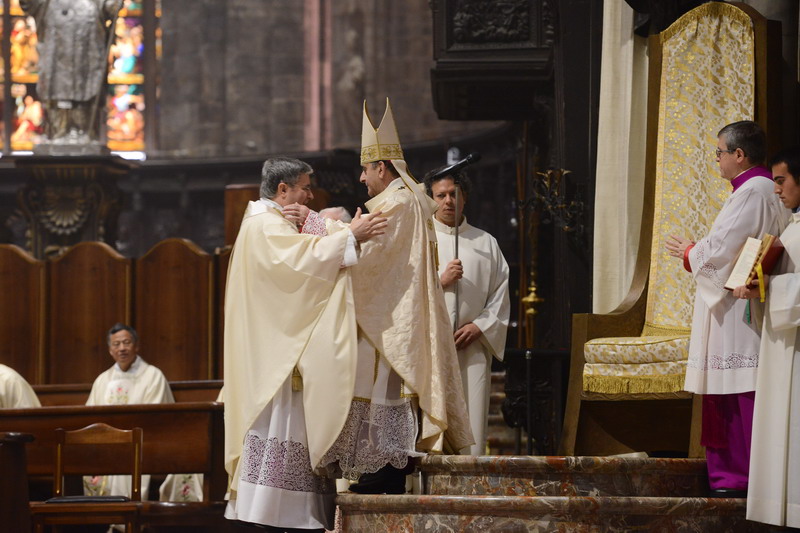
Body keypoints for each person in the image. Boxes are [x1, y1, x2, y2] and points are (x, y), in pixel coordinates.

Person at [318, 99, 473, 494]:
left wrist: (320, 229)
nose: (361, 178)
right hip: (392, 314)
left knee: (382, 392)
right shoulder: (406, 199)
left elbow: (370, 259)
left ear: (382, 168)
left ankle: (384, 472)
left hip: (390, 322)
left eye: (365, 169)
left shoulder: (399, 203)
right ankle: (381, 473)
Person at [223, 157, 387, 531]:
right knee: (281, 437)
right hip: (278, 360)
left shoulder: (267, 221)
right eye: (305, 188)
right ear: (283, 189)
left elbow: (305, 251)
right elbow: (303, 262)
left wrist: (336, 231)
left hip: (278, 350)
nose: (310, 196)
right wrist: (350, 236)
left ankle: (288, 514)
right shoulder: (265, 225)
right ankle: (280, 516)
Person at [665, 120, 787, 496]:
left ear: (739, 154)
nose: (717, 159)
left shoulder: (753, 191)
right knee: (735, 386)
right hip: (739, 300)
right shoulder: (759, 189)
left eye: (719, 152)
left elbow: (722, 248)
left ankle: (738, 476)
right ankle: (737, 476)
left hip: (738, 307)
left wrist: (690, 251)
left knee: (738, 390)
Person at [733, 147, 800, 527]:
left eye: (781, 180)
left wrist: (768, 285)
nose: (776, 189)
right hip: (782, 341)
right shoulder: (793, 224)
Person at [423, 168, 510, 455]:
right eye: (441, 195)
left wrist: (480, 326)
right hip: (431, 346)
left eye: (454, 194)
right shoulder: (421, 239)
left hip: (472, 347)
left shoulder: (486, 243)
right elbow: (402, 291)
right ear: (430, 199)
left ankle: (470, 480)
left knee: (472, 420)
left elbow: (500, 294)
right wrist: (440, 281)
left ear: (465, 198)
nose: (448, 201)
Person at [85, 323, 202, 502]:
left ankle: (128, 515)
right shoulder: (102, 380)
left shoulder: (153, 376)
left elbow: (154, 420)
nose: (122, 348)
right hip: (107, 446)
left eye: (127, 342)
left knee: (125, 462)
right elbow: (90, 418)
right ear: (110, 350)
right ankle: (100, 516)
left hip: (142, 445)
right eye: (116, 344)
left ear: (136, 346)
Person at [20, 0, 122, 146]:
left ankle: (83, 131)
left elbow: (110, 7)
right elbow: (29, 4)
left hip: (87, 52)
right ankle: (58, 132)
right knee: (56, 90)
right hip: (56, 51)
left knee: (85, 90)